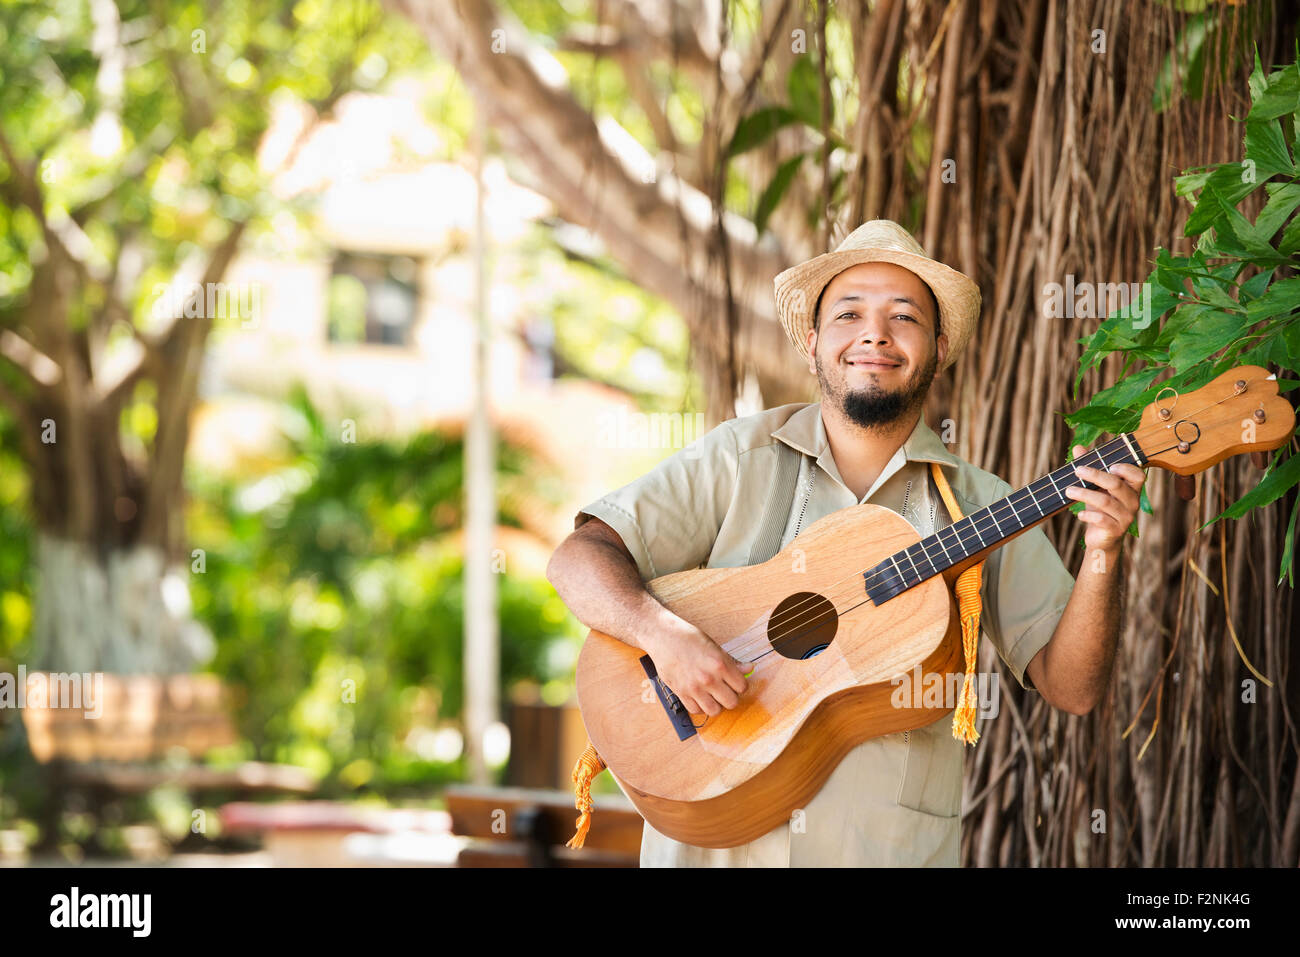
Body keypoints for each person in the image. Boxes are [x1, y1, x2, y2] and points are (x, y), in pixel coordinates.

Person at [546, 220, 1146, 866]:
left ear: (939, 348)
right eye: (849, 312)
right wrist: (662, 635)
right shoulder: (737, 460)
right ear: (812, 344)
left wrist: (1104, 549)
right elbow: (578, 559)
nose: (874, 334)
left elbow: (1074, 685)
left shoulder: (983, 507)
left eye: (904, 316)